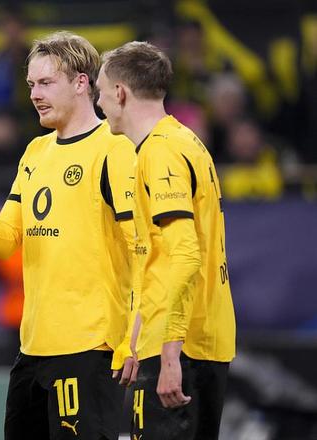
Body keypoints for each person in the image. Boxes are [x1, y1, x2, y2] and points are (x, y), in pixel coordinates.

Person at [0, 31, 138, 440]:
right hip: (32, 349)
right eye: (30, 85)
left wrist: (133, 336)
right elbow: (8, 237)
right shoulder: (36, 152)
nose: (35, 95)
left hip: (90, 348)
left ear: (81, 83)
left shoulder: (114, 149)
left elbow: (141, 249)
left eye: (45, 83)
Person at [96, 41, 236, 439]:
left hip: (180, 346)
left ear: (120, 92)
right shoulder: (185, 141)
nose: (99, 104)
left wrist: (170, 351)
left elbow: (185, 255)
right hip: (200, 337)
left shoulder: (161, 153)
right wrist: (136, 335)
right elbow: (156, 256)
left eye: (101, 92)